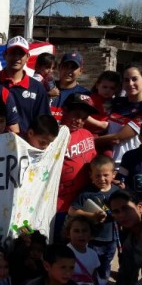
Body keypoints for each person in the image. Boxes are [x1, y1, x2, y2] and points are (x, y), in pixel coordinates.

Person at [68, 154, 120, 285]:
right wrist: (90, 215)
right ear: (90, 175)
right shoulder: (86, 193)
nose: (102, 179)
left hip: (111, 239)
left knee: (105, 266)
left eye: (105, 175)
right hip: (91, 239)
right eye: (97, 175)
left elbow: (123, 211)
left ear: (113, 174)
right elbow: (72, 210)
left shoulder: (117, 192)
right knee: (90, 265)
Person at [54, 93, 98, 241]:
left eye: (84, 118)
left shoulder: (87, 134)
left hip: (83, 204)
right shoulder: (52, 136)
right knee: (60, 246)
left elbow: (94, 163)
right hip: (59, 206)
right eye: (76, 115)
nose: (79, 121)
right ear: (64, 110)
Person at [94, 64, 142, 166]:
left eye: (134, 79)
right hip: (104, 162)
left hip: (125, 164)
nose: (130, 83)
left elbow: (117, 138)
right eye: (126, 80)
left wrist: (87, 141)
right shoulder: (116, 102)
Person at [0, 36, 51, 134]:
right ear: (4, 55)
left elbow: (43, 123)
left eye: (21, 54)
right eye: (12, 53)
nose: (16, 58)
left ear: (27, 57)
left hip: (25, 146)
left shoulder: (37, 88)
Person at [63, 216, 101, 285]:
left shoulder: (93, 254)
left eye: (84, 231)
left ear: (91, 233)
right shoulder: (63, 253)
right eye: (76, 231)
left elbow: (93, 277)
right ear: (68, 234)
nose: (81, 234)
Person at [48, 52, 91, 121]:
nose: (68, 71)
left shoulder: (85, 94)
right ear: (59, 67)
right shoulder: (45, 86)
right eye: (65, 66)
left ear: (80, 71)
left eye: (73, 67)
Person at [85, 71, 122, 135]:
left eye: (112, 88)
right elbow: (81, 115)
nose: (108, 90)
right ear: (97, 85)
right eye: (104, 87)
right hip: (89, 134)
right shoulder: (89, 100)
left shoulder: (116, 103)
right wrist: (100, 124)